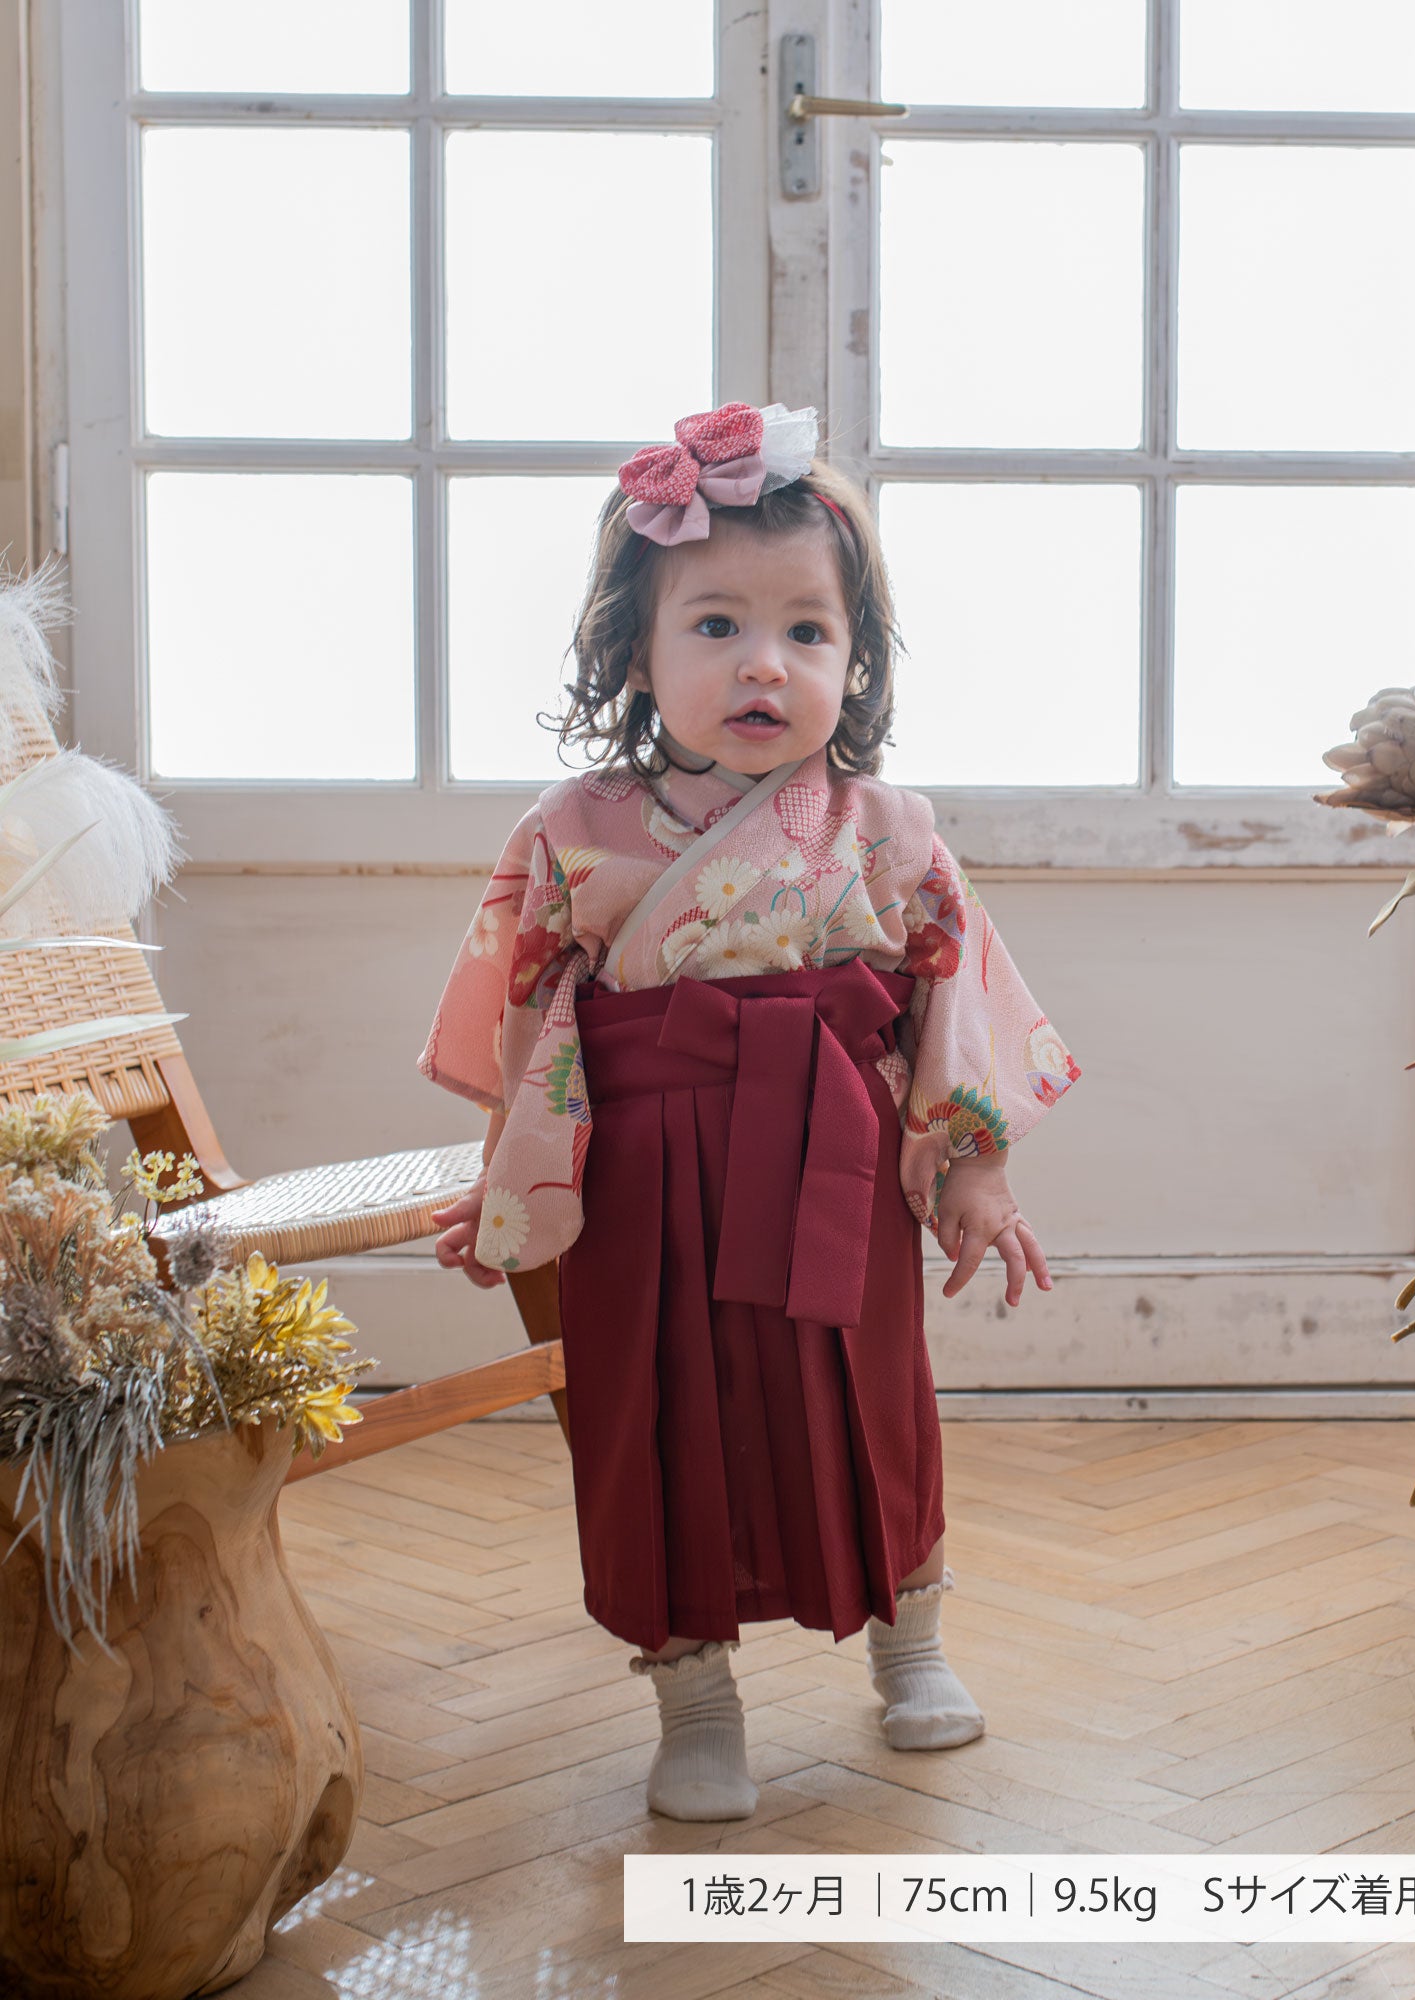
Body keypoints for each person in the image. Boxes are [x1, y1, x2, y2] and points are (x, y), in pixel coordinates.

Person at [419, 400, 1081, 1823]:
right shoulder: (573, 832)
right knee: (657, 1415)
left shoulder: (887, 829)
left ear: (855, 657)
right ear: (635, 651)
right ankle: (695, 1698)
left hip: (835, 1144)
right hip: (644, 1164)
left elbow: (950, 1003)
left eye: (806, 630)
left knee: (871, 1394)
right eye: (714, 625)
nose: (763, 663)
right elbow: (530, 1025)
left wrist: (973, 1167)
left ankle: (912, 1640)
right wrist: (504, 1178)